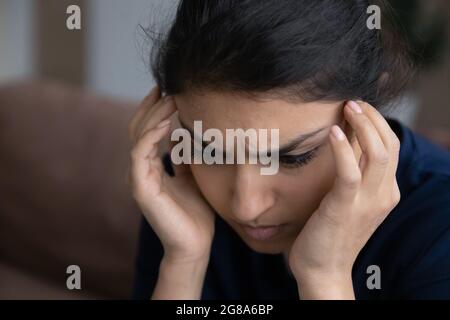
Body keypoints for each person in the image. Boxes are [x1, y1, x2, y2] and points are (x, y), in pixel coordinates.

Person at [128, 0, 450, 299]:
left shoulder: (438, 229)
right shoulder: (180, 192)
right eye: (210, 152)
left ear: (368, 115)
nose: (246, 207)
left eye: (293, 157)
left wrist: (324, 277)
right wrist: (184, 263)